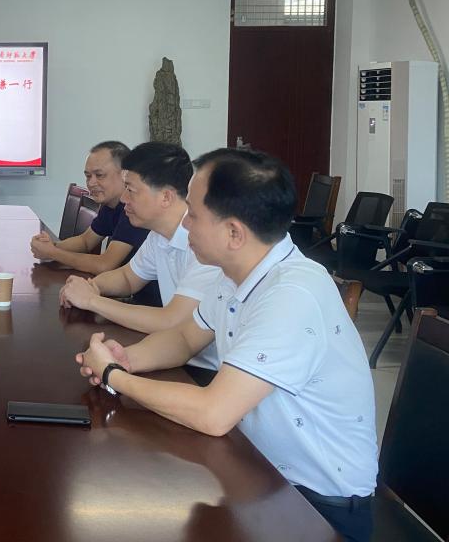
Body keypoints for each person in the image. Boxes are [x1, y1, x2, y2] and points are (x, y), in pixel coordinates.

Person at [76, 148, 377, 542]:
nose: (185, 222)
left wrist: (114, 375)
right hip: (255, 471)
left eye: (194, 214)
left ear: (234, 233)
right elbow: (185, 337)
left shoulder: (292, 295)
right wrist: (126, 356)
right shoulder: (236, 274)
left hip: (316, 506)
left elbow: (213, 413)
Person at [58, 142, 221, 375]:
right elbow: (128, 278)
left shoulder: (206, 243)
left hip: (208, 370)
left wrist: (92, 301)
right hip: (173, 354)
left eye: (131, 190)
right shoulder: (159, 234)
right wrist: (92, 286)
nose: (123, 198)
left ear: (166, 197)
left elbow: (171, 321)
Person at [29, 141, 149, 275]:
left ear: (124, 175)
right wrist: (51, 246)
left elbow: (105, 265)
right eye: (88, 176)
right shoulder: (110, 205)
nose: (91, 183)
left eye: (99, 175)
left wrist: (53, 253)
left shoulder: (134, 209)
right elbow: (85, 241)